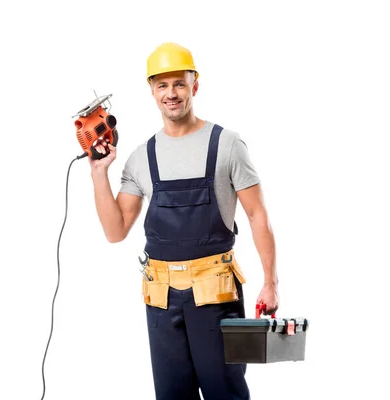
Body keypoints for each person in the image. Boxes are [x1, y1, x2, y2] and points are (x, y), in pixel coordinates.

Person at [88, 42, 279, 400]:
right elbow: (115, 232)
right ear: (151, 90)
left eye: (179, 83)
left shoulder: (227, 144)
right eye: (162, 85)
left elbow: (258, 216)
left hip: (215, 293)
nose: (171, 94)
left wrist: (270, 282)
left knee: (226, 392)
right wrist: (100, 173)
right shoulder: (141, 157)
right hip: (160, 298)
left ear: (195, 84)